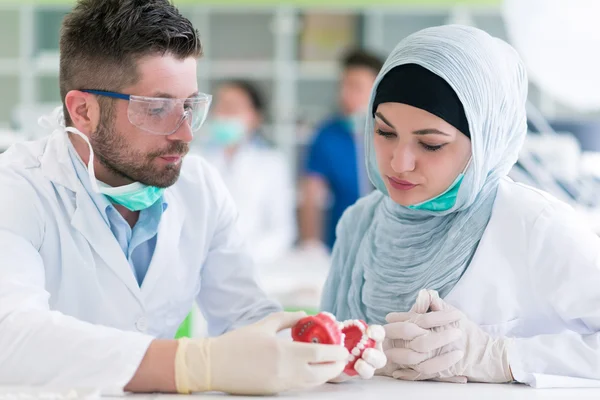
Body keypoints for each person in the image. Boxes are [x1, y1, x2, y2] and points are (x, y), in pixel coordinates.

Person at [0, 0, 385, 395]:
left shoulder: (198, 186)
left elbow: (245, 316)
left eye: (190, 107)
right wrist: (192, 365)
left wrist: (319, 352)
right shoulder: (16, 190)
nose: (185, 134)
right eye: (158, 109)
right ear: (84, 111)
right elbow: (10, 336)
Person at [321, 24, 600, 388]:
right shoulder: (361, 223)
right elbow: (329, 346)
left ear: (487, 141)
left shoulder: (535, 225)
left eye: (431, 144)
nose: (399, 163)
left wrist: (501, 356)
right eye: (385, 133)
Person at [201, 80, 296, 264]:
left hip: (258, 265)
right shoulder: (196, 160)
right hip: (203, 265)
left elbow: (282, 231)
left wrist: (241, 257)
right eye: (221, 106)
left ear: (255, 117)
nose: (224, 114)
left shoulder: (272, 163)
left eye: (233, 107)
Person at [300, 49, 383, 250]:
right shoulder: (328, 134)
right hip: (339, 244)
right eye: (343, 86)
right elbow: (311, 194)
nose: (345, 95)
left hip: (387, 242)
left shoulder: (394, 134)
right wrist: (311, 245)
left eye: (356, 87)